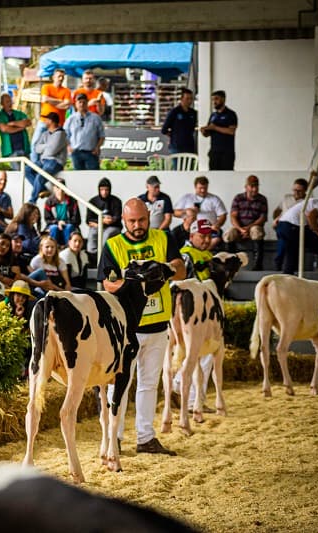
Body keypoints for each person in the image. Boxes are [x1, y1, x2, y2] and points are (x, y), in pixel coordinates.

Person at [97, 198, 185, 456]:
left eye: (142, 220)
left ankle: (146, 438)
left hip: (158, 326)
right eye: (132, 221)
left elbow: (180, 269)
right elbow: (107, 283)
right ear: (124, 220)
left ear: (149, 216)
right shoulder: (114, 244)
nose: (138, 226)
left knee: (149, 384)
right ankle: (115, 437)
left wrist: (165, 269)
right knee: (119, 385)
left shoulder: (164, 238)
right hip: (127, 328)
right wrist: (133, 285)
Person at [172, 218, 217, 412]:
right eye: (202, 236)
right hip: (192, 311)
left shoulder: (206, 254)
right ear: (191, 236)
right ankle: (192, 400)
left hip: (199, 310)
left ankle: (179, 387)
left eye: (209, 236)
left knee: (195, 353)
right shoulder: (186, 256)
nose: (206, 240)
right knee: (204, 353)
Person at [277, 194, 318, 282]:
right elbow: (311, 215)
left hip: (283, 225)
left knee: (291, 251)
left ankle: (287, 277)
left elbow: (313, 220)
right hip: (294, 225)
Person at [224, 175, 268, 270]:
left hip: (253, 227)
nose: (254, 189)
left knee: (256, 231)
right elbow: (233, 217)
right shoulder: (238, 198)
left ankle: (258, 265)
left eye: (256, 186)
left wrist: (247, 229)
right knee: (229, 234)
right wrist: (240, 229)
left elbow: (262, 218)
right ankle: (231, 263)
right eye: (252, 186)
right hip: (239, 227)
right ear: (246, 187)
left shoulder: (262, 199)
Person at [174, 176, 227, 251]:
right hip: (191, 229)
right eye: (200, 188)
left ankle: (203, 254)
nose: (203, 190)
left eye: (205, 188)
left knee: (216, 239)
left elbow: (223, 215)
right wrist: (186, 211)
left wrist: (217, 224)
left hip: (208, 228)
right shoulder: (187, 198)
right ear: (195, 187)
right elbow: (174, 213)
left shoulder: (214, 199)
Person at [26, 112, 68, 203]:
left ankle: (32, 201)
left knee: (40, 176)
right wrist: (47, 146)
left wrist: (44, 147)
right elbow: (36, 148)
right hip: (43, 160)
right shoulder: (45, 133)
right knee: (27, 170)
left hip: (55, 162)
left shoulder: (61, 134)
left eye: (46, 119)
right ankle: (42, 190)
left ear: (51, 121)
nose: (44, 121)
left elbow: (51, 151)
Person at [32, 68, 71, 157]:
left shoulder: (66, 91)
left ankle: (50, 163)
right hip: (44, 121)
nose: (60, 78)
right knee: (36, 142)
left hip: (58, 124)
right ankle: (34, 164)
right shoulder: (47, 87)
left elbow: (67, 105)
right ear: (53, 77)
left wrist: (51, 102)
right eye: (59, 76)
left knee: (55, 146)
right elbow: (45, 99)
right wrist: (60, 101)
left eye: (62, 77)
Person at [271, 178, 308, 270]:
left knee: (286, 239)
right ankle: (287, 265)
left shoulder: (308, 201)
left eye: (299, 191)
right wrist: (276, 219)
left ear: (305, 190)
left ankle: (279, 262)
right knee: (285, 235)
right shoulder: (286, 198)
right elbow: (277, 210)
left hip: (298, 228)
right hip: (283, 225)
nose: (296, 192)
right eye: (294, 190)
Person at [64, 92, 105, 170]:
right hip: (76, 152)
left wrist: (97, 147)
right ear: (76, 104)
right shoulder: (70, 119)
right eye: (79, 102)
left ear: (87, 103)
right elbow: (65, 135)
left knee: (93, 177)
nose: (82, 104)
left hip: (91, 152)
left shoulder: (96, 118)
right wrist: (68, 147)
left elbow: (101, 135)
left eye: (84, 102)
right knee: (78, 177)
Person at [86, 178, 122, 262]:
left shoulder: (116, 201)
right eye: (102, 190)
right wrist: (101, 222)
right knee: (92, 234)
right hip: (97, 226)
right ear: (99, 190)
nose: (104, 192)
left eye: (106, 190)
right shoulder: (92, 201)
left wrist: (111, 220)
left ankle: (103, 257)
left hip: (113, 227)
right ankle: (93, 258)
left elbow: (117, 217)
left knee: (106, 235)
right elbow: (88, 220)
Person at [200, 90, 238, 171]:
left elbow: (231, 131)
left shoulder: (231, 114)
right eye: (212, 99)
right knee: (213, 177)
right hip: (214, 152)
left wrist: (215, 128)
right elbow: (209, 132)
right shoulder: (213, 115)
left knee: (226, 176)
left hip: (227, 153)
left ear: (223, 99)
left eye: (216, 99)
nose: (214, 102)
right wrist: (204, 131)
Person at [0, 93, 31, 160]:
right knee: (16, 170)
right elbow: (4, 129)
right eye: (7, 102)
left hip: (24, 148)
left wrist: (13, 123)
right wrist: (20, 128)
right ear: (2, 104)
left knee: (28, 170)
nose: (10, 103)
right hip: (11, 150)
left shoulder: (18, 113)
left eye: (10, 101)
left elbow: (28, 122)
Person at [43, 179, 80, 246]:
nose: (60, 190)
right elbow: (48, 219)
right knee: (54, 228)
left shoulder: (72, 201)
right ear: (54, 188)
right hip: (54, 225)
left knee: (69, 227)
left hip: (68, 224)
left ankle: (68, 249)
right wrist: (58, 223)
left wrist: (64, 223)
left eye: (62, 187)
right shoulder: (49, 201)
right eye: (57, 187)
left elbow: (77, 220)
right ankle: (53, 249)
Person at [161, 88, 197, 155]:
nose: (189, 101)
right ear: (181, 99)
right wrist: (175, 136)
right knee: (178, 165)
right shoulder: (174, 112)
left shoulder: (193, 113)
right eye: (187, 99)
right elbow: (164, 130)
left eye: (191, 99)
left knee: (188, 165)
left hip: (189, 146)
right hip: (176, 147)